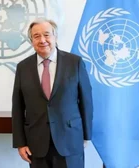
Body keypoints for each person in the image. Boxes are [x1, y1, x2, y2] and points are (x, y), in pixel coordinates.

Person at [12, 18, 93, 168]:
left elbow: (86, 100)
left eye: (47, 34)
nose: (42, 40)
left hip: (70, 141)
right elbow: (17, 107)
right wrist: (20, 143)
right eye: (36, 36)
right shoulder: (23, 67)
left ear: (55, 37)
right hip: (36, 144)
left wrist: (86, 135)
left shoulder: (74, 62)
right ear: (31, 41)